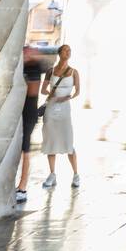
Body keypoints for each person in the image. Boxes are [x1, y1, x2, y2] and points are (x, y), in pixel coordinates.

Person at [41, 44, 80, 189]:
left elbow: (77, 92)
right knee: (50, 141)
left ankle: (76, 175)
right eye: (65, 50)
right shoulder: (50, 71)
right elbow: (43, 90)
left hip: (65, 109)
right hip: (51, 109)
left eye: (70, 50)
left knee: (68, 140)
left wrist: (67, 98)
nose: (68, 52)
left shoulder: (74, 72)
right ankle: (52, 174)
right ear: (59, 53)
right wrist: (50, 94)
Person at [15, 46, 45, 201]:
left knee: (25, 150)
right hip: (18, 113)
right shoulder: (21, 66)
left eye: (27, 52)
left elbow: (31, 92)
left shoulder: (34, 67)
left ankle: (23, 188)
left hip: (28, 113)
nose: (25, 54)